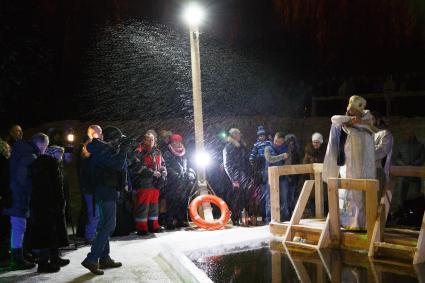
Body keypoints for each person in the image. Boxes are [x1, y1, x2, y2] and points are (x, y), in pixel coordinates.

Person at [323, 95, 376, 230]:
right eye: (350, 110)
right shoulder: (343, 123)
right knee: (345, 194)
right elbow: (334, 118)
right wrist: (350, 120)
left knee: (358, 195)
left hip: (359, 166)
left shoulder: (365, 125)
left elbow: (370, 129)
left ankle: (359, 223)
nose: (351, 113)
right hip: (346, 165)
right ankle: (345, 222)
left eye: (354, 111)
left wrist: (358, 123)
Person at [81, 126, 127, 275]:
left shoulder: (100, 149)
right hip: (105, 191)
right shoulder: (101, 150)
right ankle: (92, 258)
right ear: (111, 139)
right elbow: (118, 164)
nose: (118, 143)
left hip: (104, 191)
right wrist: (124, 149)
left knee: (103, 225)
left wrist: (122, 148)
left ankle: (104, 257)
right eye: (117, 140)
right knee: (109, 225)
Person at [3, 133, 49, 270]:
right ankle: (17, 259)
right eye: (45, 146)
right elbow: (22, 179)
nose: (45, 150)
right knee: (18, 227)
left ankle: (20, 255)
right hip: (19, 197)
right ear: (40, 144)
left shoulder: (22, 152)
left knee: (18, 227)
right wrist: (32, 191)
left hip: (16, 196)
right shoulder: (29, 156)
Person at [30, 146, 70, 273]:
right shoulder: (50, 164)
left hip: (43, 204)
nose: (61, 158)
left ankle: (54, 258)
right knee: (48, 233)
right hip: (48, 205)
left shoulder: (41, 163)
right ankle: (44, 263)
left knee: (52, 232)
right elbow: (55, 186)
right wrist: (59, 202)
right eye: (59, 155)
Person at [130, 132, 167, 236]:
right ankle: (142, 228)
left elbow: (162, 163)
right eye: (148, 140)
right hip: (144, 183)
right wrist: (151, 172)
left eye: (152, 140)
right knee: (143, 206)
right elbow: (137, 166)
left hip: (156, 183)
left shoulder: (158, 151)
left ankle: (154, 226)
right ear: (144, 140)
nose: (151, 142)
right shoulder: (139, 151)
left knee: (154, 206)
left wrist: (164, 170)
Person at [162, 134, 196, 229]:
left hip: (183, 182)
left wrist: (190, 173)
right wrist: (175, 175)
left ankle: (181, 220)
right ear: (171, 143)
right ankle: (169, 221)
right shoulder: (167, 153)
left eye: (179, 142)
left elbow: (189, 165)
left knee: (183, 201)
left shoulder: (184, 154)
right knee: (172, 202)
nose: (177, 143)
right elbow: (166, 166)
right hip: (172, 183)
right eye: (175, 142)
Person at [79, 125, 103, 243]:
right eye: (95, 132)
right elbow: (86, 168)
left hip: (98, 187)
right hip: (90, 187)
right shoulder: (88, 148)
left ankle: (94, 233)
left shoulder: (99, 146)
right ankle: (89, 236)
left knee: (97, 213)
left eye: (99, 132)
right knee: (94, 212)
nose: (97, 134)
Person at [223, 128, 251, 225]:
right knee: (236, 198)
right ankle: (235, 218)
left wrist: (249, 174)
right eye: (237, 133)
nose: (240, 135)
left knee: (245, 197)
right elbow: (227, 164)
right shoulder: (228, 147)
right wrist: (233, 179)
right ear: (233, 135)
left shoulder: (242, 146)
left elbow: (246, 162)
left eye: (239, 133)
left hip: (244, 175)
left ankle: (245, 218)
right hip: (235, 176)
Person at [394, 129, 425, 209]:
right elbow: (397, 158)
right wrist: (404, 165)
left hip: (415, 174)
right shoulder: (400, 145)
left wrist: (413, 165)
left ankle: (414, 210)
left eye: (411, 134)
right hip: (403, 174)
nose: (409, 135)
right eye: (407, 134)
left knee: (415, 195)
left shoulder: (420, 145)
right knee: (401, 194)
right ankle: (400, 209)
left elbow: (422, 158)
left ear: (414, 135)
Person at [264, 132, 289, 222]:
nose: (279, 143)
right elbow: (270, 159)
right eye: (278, 141)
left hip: (282, 176)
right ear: (275, 139)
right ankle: (269, 219)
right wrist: (282, 156)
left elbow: (288, 161)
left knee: (284, 198)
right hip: (270, 177)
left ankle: (284, 219)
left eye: (281, 141)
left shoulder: (285, 148)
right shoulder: (268, 148)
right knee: (270, 198)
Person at [249, 126, 272, 220]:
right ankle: (263, 213)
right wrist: (253, 164)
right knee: (263, 192)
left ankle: (268, 214)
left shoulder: (268, 143)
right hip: (260, 168)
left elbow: (272, 152)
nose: (262, 137)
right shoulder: (256, 145)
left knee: (269, 192)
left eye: (263, 136)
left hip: (268, 166)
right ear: (258, 137)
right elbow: (252, 156)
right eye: (260, 136)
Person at [370, 112, 393, 194]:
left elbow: (382, 152)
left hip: (379, 172)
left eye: (371, 119)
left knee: (376, 201)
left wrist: (365, 152)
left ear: (378, 120)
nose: (369, 121)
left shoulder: (385, 134)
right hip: (367, 174)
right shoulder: (368, 134)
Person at [0, 139, 12, 262]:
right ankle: (4, 254)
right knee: (4, 227)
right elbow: (5, 180)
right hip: (4, 197)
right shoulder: (4, 162)